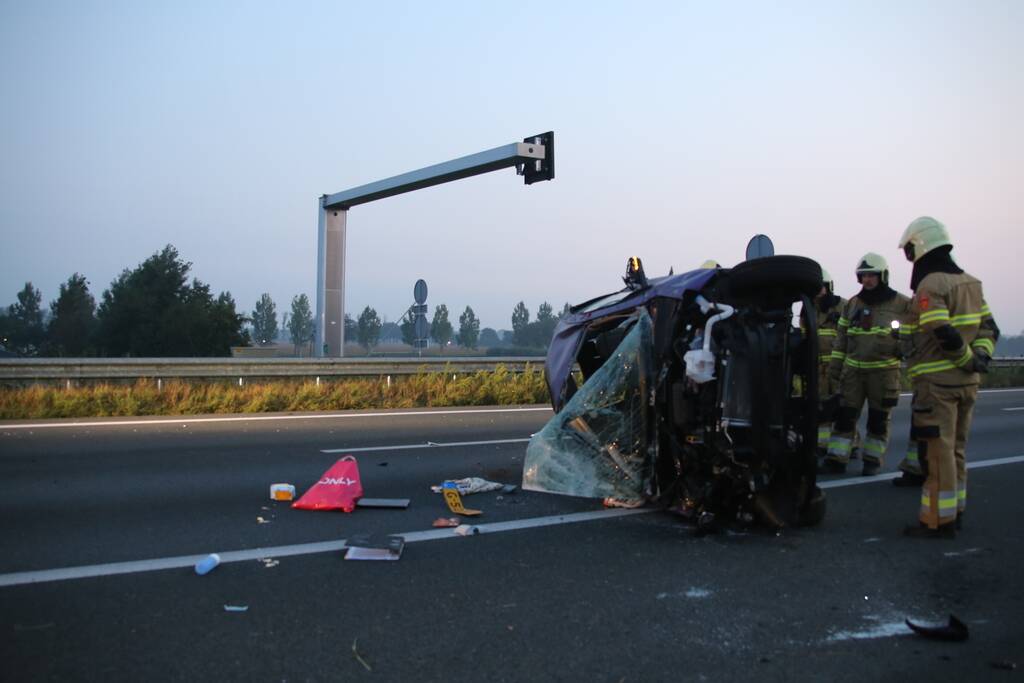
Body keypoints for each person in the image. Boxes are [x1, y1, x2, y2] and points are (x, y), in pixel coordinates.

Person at [898, 217, 998, 538]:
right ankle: (955, 511)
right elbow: (990, 329)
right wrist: (980, 357)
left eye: (910, 250)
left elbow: (939, 328)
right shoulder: (971, 283)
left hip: (937, 386)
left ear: (922, 245)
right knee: (956, 451)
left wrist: (967, 359)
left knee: (938, 456)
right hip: (967, 386)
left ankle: (938, 522)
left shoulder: (932, 285)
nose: (910, 258)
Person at [822, 253, 911, 476]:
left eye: (872, 275)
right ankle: (836, 459)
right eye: (863, 276)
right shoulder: (852, 304)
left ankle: (872, 460)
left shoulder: (902, 304)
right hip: (853, 373)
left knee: (878, 420)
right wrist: (835, 367)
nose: (867, 280)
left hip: (884, 373)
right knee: (844, 417)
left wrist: (902, 349)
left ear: (883, 276)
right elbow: (841, 338)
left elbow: (913, 335)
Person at [809, 269, 845, 455]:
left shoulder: (843, 307)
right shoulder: (808, 309)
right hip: (818, 367)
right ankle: (822, 444)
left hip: (838, 368)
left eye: (821, 288)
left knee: (842, 407)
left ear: (828, 287)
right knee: (821, 407)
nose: (818, 292)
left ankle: (850, 445)